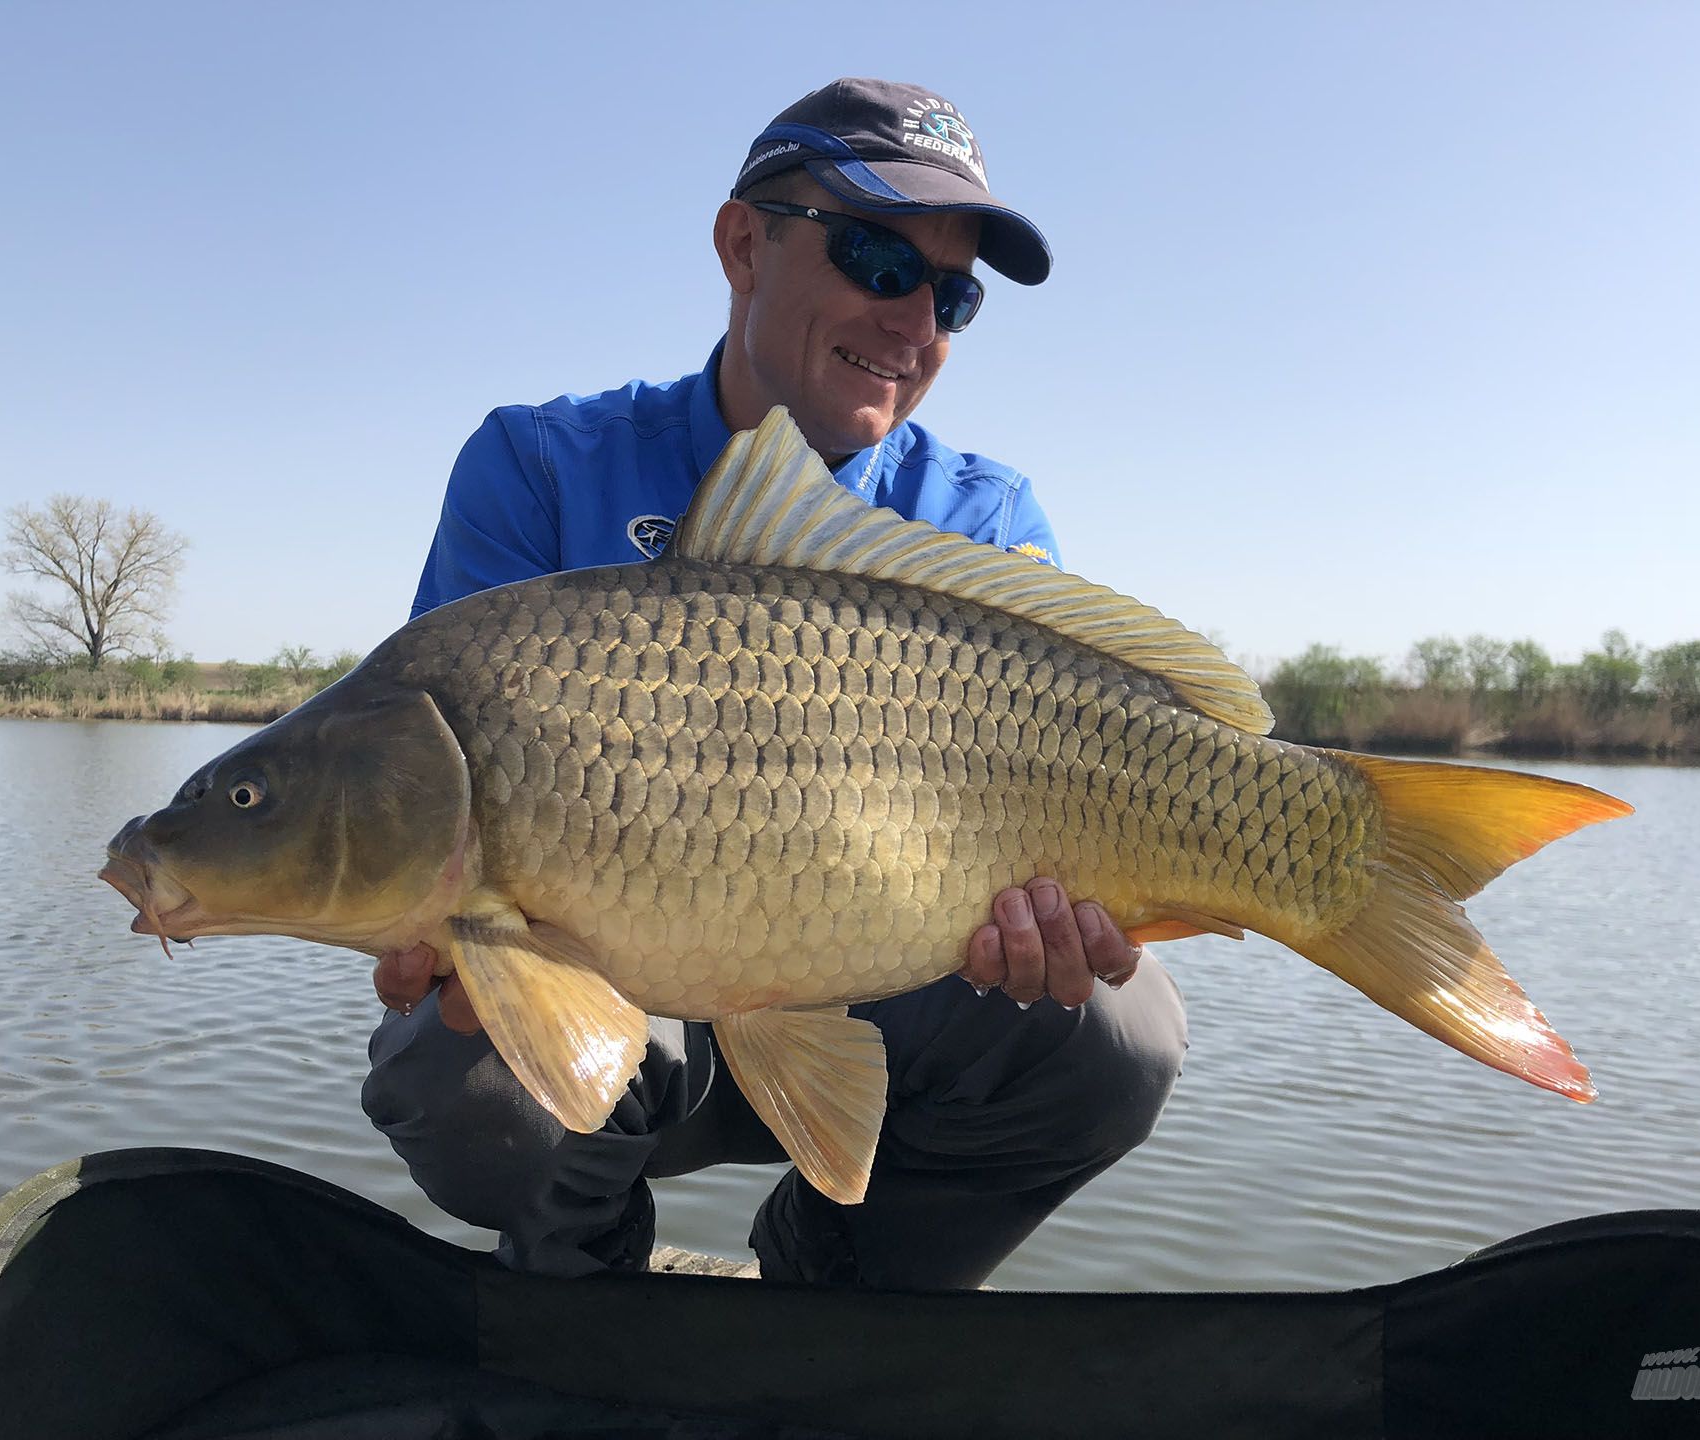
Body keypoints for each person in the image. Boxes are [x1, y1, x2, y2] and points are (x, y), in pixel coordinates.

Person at [362, 78, 1190, 1289]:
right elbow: (420, 802)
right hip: (618, 1006)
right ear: (744, 243)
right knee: (467, 1072)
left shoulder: (983, 520)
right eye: (875, 257)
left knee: (1116, 1036)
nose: (915, 320)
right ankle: (588, 1290)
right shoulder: (537, 466)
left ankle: (832, 1300)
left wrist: (1066, 922)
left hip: (896, 985)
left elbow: (1060, 847)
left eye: (951, 293)